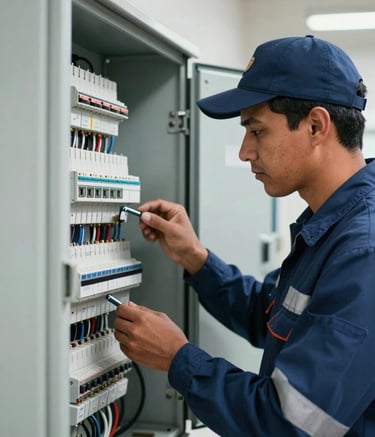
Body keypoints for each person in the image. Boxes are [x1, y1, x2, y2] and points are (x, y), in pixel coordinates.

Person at [113, 35, 375, 436]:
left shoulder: (363, 250)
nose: (244, 152)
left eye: (256, 131)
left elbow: (287, 424)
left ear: (316, 126)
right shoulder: (332, 224)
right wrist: (197, 259)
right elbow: (272, 318)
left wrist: (178, 358)